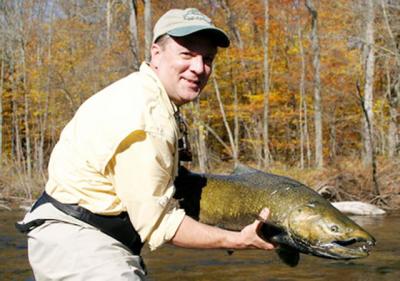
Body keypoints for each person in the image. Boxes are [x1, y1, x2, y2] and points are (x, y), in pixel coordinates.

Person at [17, 8, 275, 281]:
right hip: (79, 244)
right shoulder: (148, 117)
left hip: (70, 235)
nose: (199, 68)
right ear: (156, 53)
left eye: (207, 58)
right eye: (187, 54)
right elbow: (160, 225)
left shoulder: (142, 92)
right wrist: (237, 240)